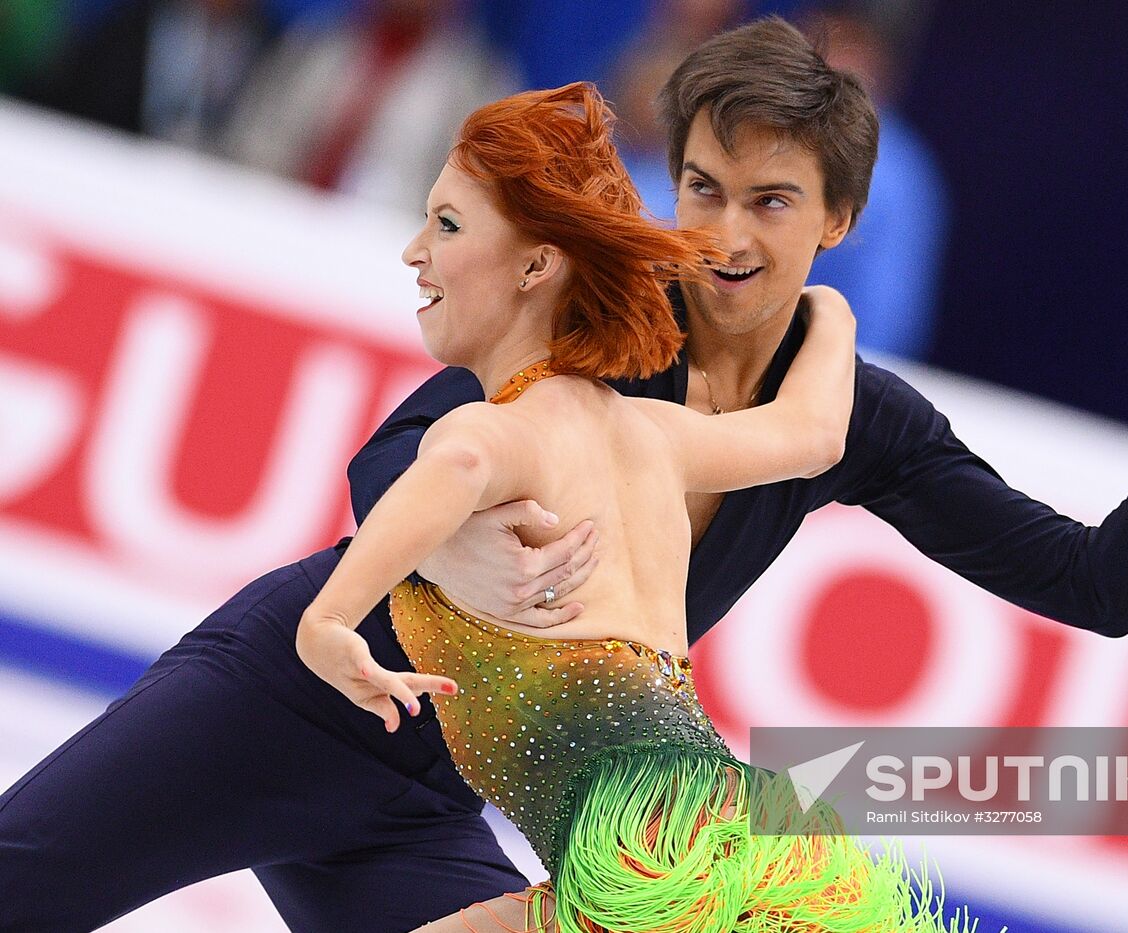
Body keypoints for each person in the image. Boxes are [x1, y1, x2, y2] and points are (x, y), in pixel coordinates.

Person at [0, 14, 1128, 933]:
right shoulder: (606, 321)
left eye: (768, 201)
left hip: (436, 782)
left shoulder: (859, 418)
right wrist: (448, 541)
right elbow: (404, 444)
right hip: (288, 703)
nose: (719, 230)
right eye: (701, 186)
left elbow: (1097, 583)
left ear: (838, 220)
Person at [296, 80, 977, 933]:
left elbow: (458, 460)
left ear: (535, 269)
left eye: (447, 226)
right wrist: (830, 312)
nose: (416, 254)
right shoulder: (656, 433)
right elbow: (812, 433)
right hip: (726, 825)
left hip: (643, 854)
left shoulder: (499, 430)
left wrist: (327, 618)